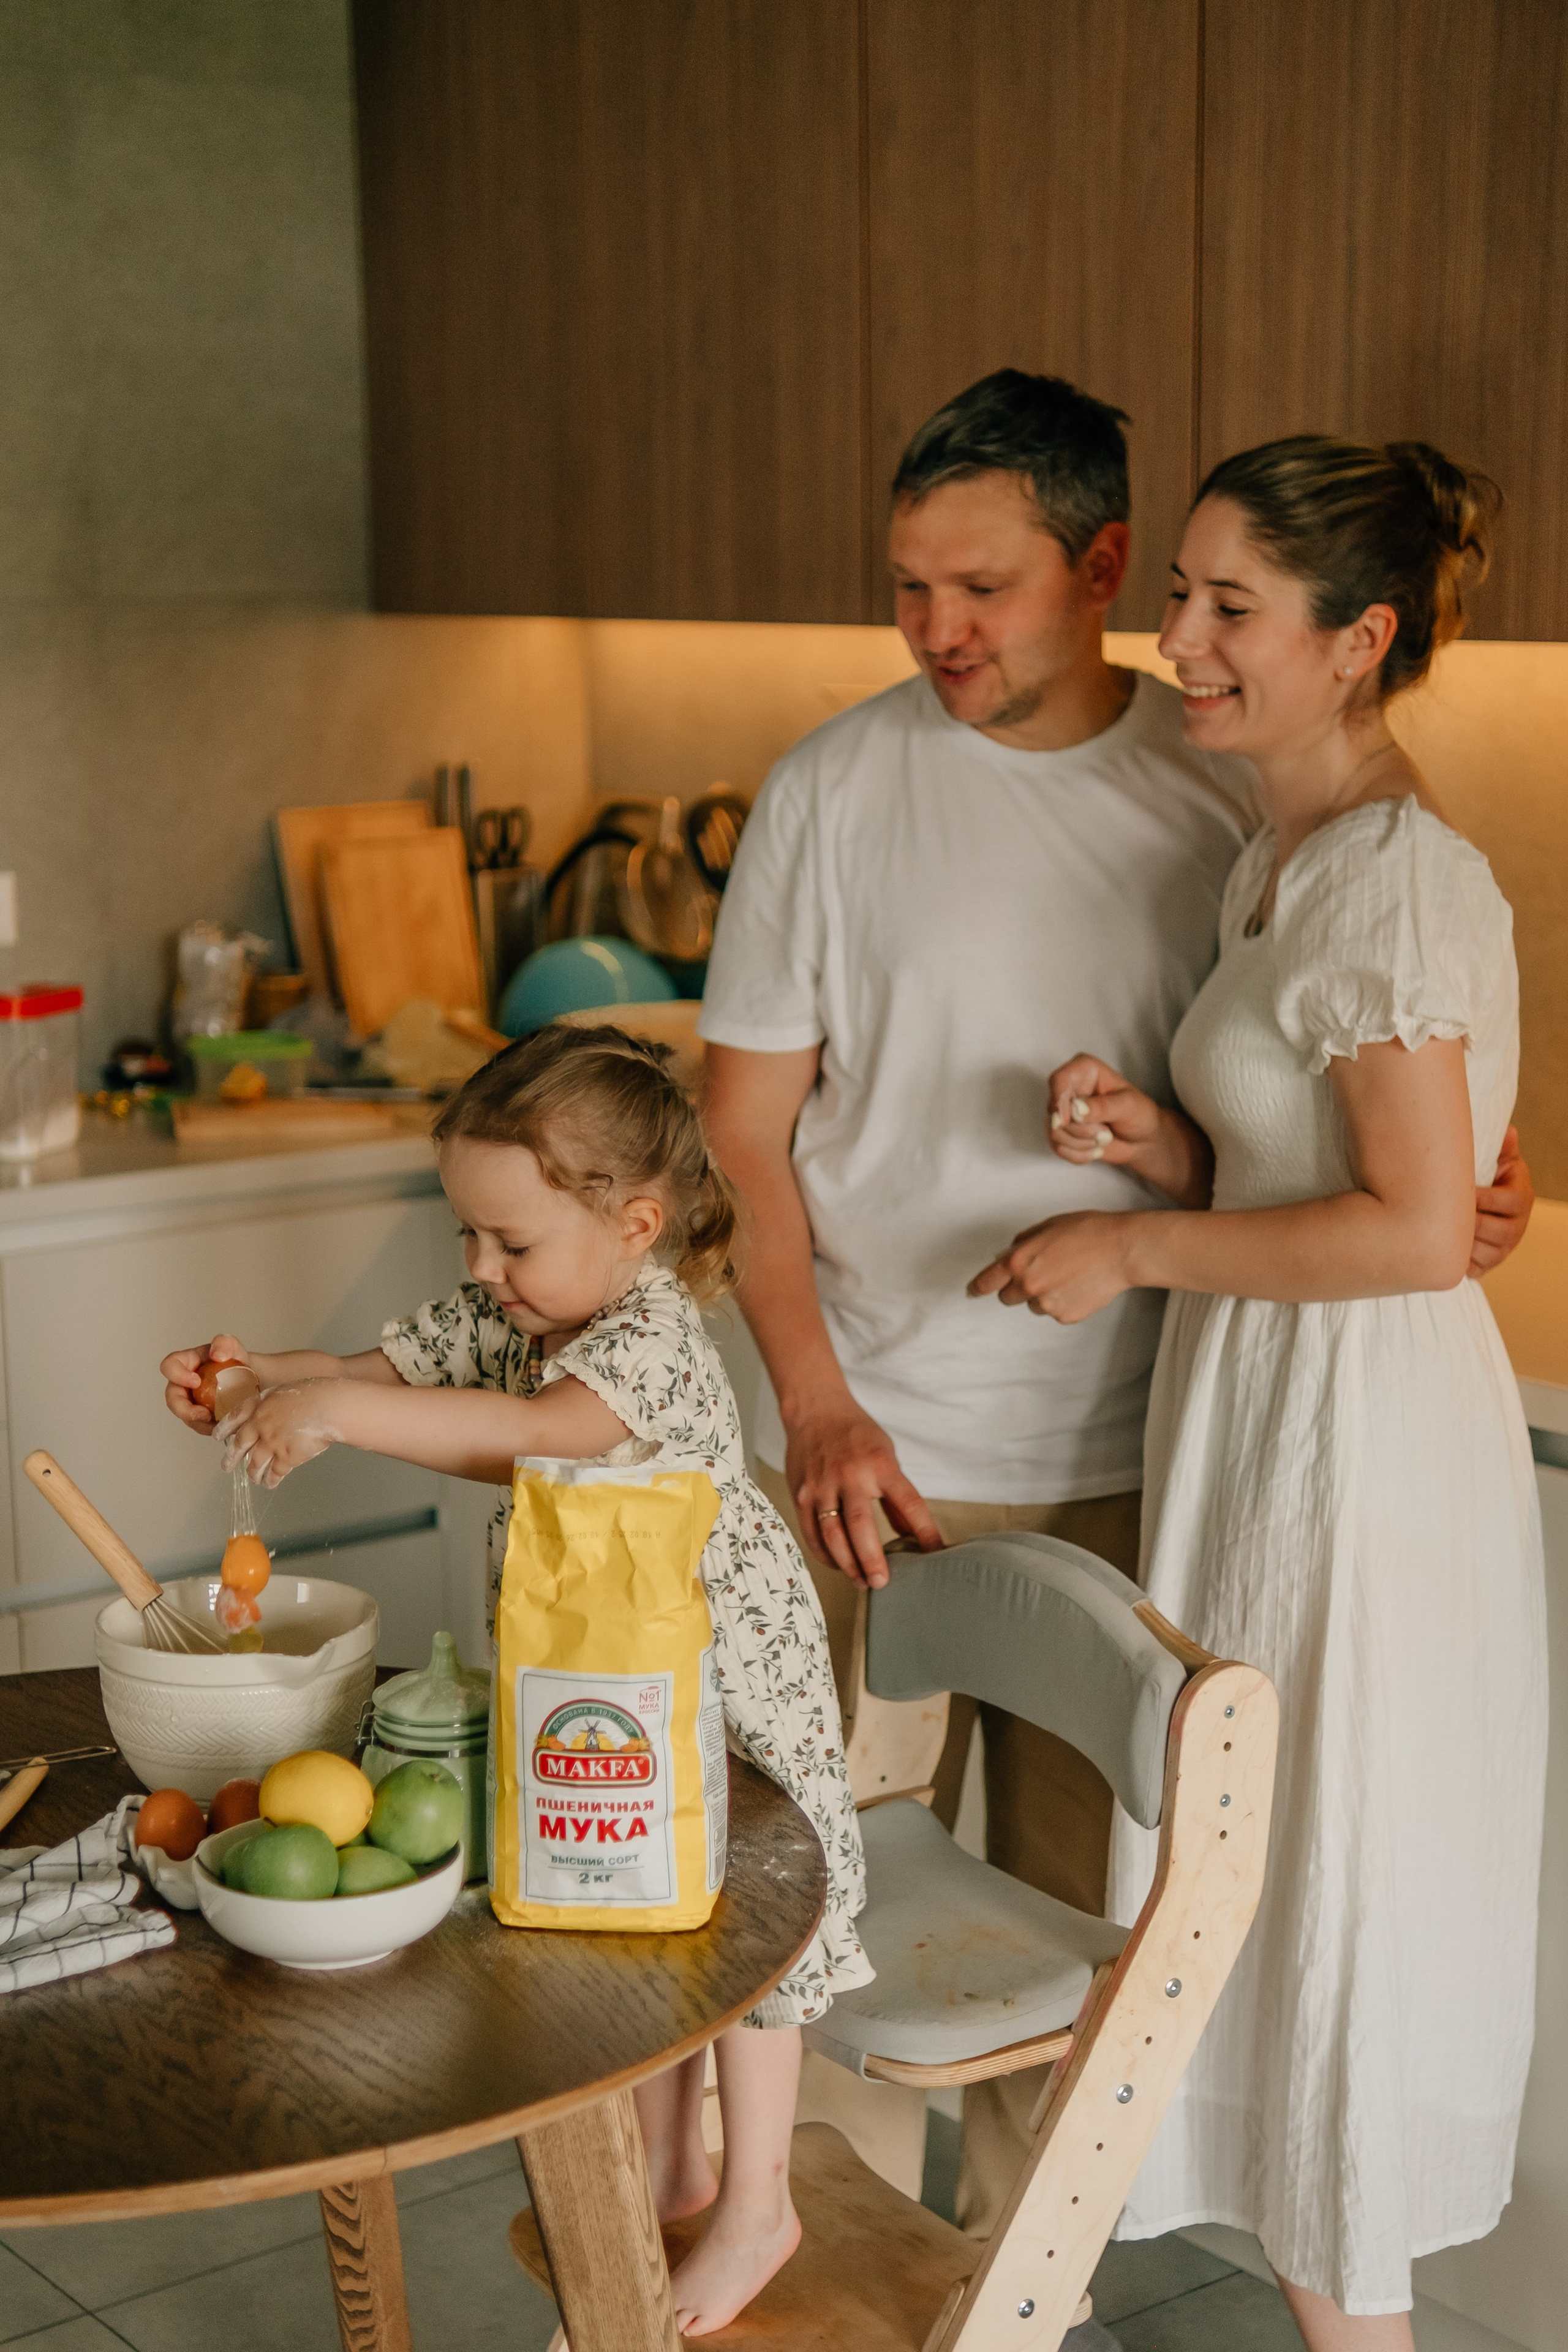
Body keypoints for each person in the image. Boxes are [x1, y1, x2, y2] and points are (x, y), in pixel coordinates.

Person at [698, 369, 1535, 2225]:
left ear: (1092, 568)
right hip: (871, 1463)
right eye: (910, 587)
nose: (937, 631)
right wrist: (817, 1402)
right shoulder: (835, 789)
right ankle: (807, 2282)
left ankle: (1016, 2306)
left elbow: (1359, 1089)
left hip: (1153, 1470)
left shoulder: (1228, 781)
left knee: (1076, 1968)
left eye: (978, 588)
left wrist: (1468, 1178)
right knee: (815, 1937)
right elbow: (737, 1143)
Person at [970, 436, 1546, 2350]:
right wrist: (1163, 1154)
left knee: (1328, 1913)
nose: (1180, 638)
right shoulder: (1278, 857)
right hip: (1276, 1427)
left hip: (1362, 1461)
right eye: (1185, 593)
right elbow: (1337, 1188)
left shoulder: (1396, 879)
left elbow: (1402, 1232)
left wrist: (1132, 1251)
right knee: (1264, 1903)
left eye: (1230, 607)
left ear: (1358, 641)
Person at [160, 1024, 870, 2338]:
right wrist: (253, 1380)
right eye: (467, 1243)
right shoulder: (520, 1305)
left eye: (512, 1244)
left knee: (759, 1925)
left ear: (635, 1224)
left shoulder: (648, 1335)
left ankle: (757, 2200)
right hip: (604, 1677)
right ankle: (669, 2169)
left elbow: (536, 1436)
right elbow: (377, 1374)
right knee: (645, 1921)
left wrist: (336, 1418)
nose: (483, 1273)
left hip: (726, 1681)